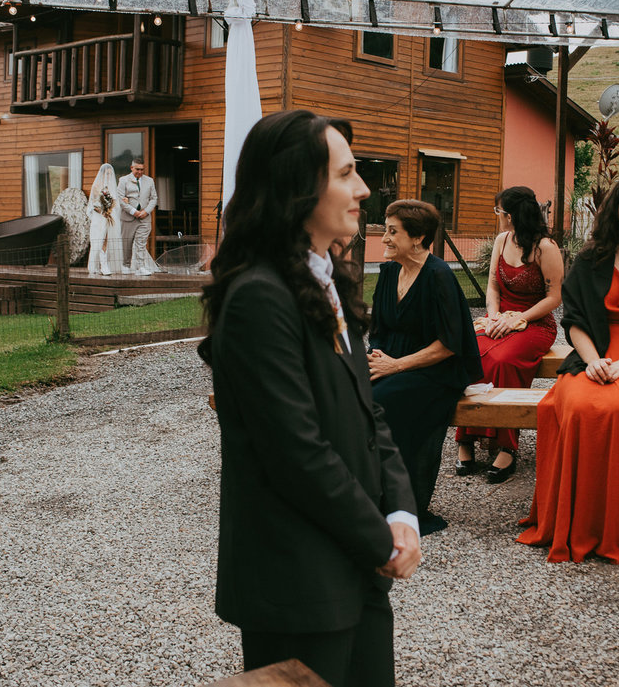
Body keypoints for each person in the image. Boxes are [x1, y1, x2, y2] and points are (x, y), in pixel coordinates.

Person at [200, 110, 420, 687]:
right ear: (296, 188)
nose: (364, 190)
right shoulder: (258, 297)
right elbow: (295, 451)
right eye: (346, 174)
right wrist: (380, 539)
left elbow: (368, 410)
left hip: (354, 564)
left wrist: (400, 512)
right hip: (297, 580)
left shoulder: (327, 277)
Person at [517, 175, 619, 563]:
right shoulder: (589, 260)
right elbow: (574, 320)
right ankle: (579, 523)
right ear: (615, 211)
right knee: (578, 405)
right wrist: (594, 361)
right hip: (593, 353)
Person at [367, 199, 482, 535]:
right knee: (346, 391)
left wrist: (396, 366)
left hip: (436, 370)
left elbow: (449, 344)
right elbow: (379, 331)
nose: (384, 238)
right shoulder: (389, 272)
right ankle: (360, 495)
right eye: (385, 230)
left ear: (417, 238)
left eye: (392, 232)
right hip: (394, 362)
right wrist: (376, 358)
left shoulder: (438, 275)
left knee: (380, 401)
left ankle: (398, 505)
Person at [455, 186, 562, 483]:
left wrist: (519, 319)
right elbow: (493, 285)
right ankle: (466, 436)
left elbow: (554, 298)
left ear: (511, 216)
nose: (498, 216)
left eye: (499, 211)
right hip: (499, 317)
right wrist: (493, 316)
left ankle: (506, 445)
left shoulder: (546, 248)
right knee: (471, 352)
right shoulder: (501, 240)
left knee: (503, 359)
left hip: (535, 322)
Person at [117, 159, 159, 275]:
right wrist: (133, 212)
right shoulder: (123, 180)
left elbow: (154, 198)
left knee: (141, 243)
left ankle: (140, 267)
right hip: (128, 218)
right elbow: (120, 199)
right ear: (132, 168)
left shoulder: (149, 181)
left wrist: (146, 211)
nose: (140, 172)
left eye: (142, 169)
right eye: (137, 169)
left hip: (144, 218)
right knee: (127, 243)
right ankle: (126, 264)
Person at [86, 163, 121, 276]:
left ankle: (105, 265)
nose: (109, 176)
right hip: (99, 218)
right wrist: (102, 212)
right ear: (102, 174)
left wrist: (109, 211)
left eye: (110, 174)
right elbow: (93, 204)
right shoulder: (96, 186)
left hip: (109, 217)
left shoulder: (112, 188)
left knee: (106, 240)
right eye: (107, 174)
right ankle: (97, 265)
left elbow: (115, 202)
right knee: (98, 240)